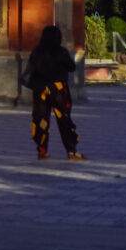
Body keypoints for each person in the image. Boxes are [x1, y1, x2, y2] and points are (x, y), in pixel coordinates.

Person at [23, 23, 85, 161]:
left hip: (40, 90)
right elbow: (71, 67)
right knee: (64, 120)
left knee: (41, 120)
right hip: (58, 90)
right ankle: (72, 151)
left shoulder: (37, 51)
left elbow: (30, 71)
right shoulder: (61, 52)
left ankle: (42, 151)